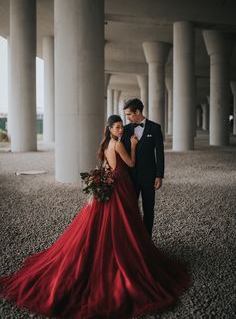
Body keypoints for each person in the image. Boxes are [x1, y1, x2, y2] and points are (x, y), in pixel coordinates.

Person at [0, 115, 190, 319]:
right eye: (117, 127)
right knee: (123, 222)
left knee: (108, 223)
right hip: (121, 186)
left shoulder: (106, 144)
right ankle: (123, 253)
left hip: (111, 183)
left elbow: (108, 166)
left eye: (120, 127)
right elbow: (131, 163)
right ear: (109, 129)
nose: (120, 130)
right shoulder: (116, 144)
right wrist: (133, 145)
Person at [122, 98, 164, 237]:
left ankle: (147, 240)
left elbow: (159, 153)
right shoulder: (126, 130)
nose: (127, 118)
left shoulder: (155, 128)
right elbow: (121, 153)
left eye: (129, 114)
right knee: (130, 209)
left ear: (138, 112)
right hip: (130, 177)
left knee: (148, 209)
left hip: (149, 177)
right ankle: (133, 241)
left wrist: (159, 175)